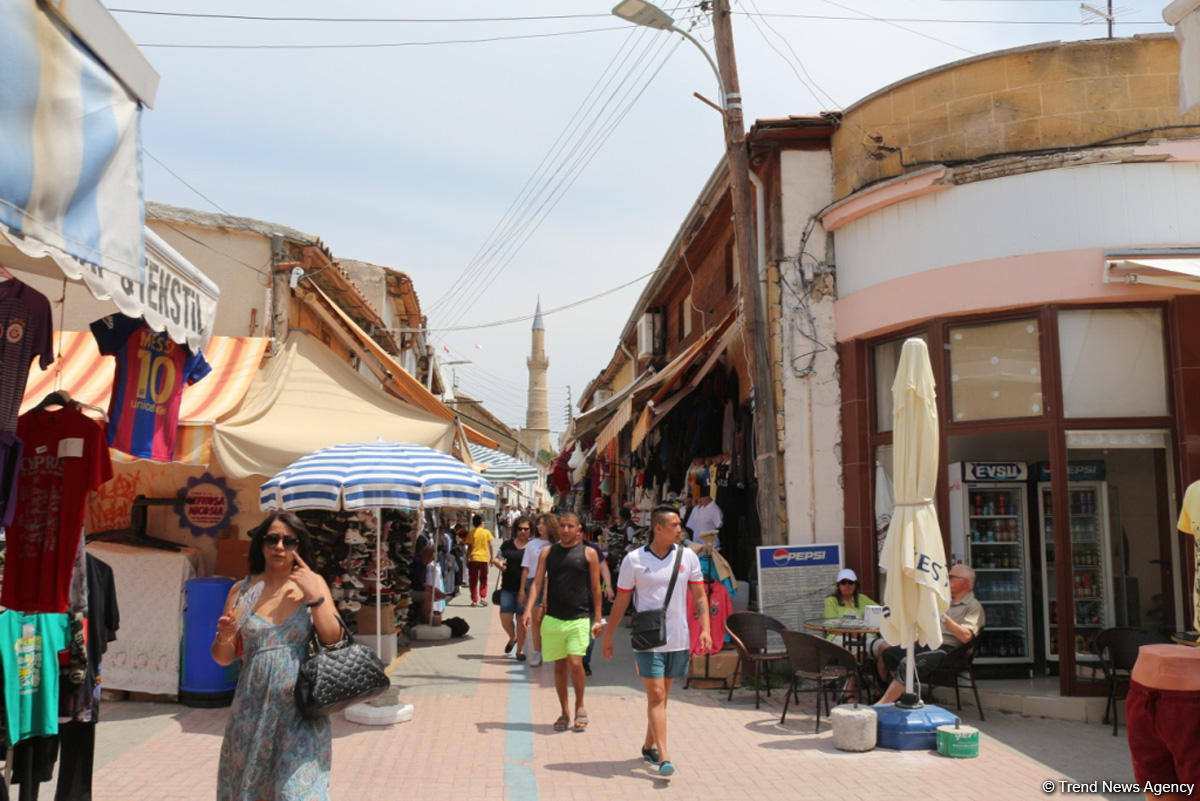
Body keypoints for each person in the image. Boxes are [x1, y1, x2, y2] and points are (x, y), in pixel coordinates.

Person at [213, 513, 340, 801]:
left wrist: (315, 598)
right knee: (251, 790)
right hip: (251, 713)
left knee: (297, 794)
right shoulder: (243, 591)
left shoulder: (313, 584)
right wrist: (225, 634)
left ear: (298, 546)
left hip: (301, 713)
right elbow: (222, 658)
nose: (279, 546)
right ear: (261, 544)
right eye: (272, 539)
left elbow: (333, 638)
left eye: (288, 540)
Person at [602, 505, 711, 778]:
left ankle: (649, 745)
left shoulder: (688, 557)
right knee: (657, 695)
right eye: (674, 525)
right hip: (647, 638)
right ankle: (664, 757)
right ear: (658, 528)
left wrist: (705, 629)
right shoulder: (634, 560)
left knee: (663, 697)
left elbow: (699, 597)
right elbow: (623, 599)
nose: (680, 529)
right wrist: (609, 634)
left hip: (678, 638)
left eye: (680, 525)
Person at [522, 512, 602, 732]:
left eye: (571, 526)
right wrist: (528, 609)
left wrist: (598, 617)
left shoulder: (589, 554)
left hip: (579, 617)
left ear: (579, 529)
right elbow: (537, 583)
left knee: (576, 663)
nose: (566, 530)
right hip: (554, 618)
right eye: (563, 526)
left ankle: (580, 705)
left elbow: (596, 588)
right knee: (559, 667)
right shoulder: (547, 553)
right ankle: (564, 711)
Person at [874, 564, 985, 705]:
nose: (946, 579)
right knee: (889, 654)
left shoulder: (973, 606)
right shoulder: (945, 601)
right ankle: (900, 697)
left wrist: (942, 617)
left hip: (948, 651)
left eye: (951, 577)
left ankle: (882, 705)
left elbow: (966, 636)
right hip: (928, 643)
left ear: (966, 582)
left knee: (907, 663)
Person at [519, 513, 559, 666]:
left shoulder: (558, 544)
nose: (540, 526)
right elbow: (526, 568)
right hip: (534, 583)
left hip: (553, 584)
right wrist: (522, 589)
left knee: (551, 620)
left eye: (543, 524)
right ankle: (537, 652)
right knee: (536, 620)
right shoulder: (532, 544)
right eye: (539, 524)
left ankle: (554, 650)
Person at [496, 516, 532, 660]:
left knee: (522, 621)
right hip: (507, 587)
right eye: (520, 528)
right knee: (505, 618)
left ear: (530, 530)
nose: (523, 531)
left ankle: (520, 650)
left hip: (525, 589)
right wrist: (498, 563)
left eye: (526, 529)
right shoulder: (507, 544)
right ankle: (513, 637)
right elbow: (497, 557)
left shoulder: (532, 546)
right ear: (515, 529)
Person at [581, 526, 615, 676]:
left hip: (593, 598)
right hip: (570, 600)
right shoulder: (560, 548)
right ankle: (576, 660)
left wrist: (608, 585)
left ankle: (585, 661)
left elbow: (604, 568)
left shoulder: (593, 549)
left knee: (593, 633)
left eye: (580, 530)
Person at [823, 568, 877, 640]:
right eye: (843, 582)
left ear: (855, 585)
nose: (847, 585)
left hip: (865, 635)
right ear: (838, 585)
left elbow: (879, 612)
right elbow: (830, 626)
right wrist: (853, 634)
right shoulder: (831, 601)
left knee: (883, 646)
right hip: (840, 636)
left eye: (850, 582)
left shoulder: (863, 598)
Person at [466, 513, 494, 607]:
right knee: (483, 579)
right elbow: (490, 545)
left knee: (473, 580)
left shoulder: (471, 533)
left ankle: (474, 600)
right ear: (482, 523)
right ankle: (483, 597)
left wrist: (467, 558)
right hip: (484, 559)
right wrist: (492, 557)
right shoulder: (486, 532)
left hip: (473, 558)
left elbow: (469, 547)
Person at [420, 544, 449, 625]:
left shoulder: (423, 565)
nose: (433, 559)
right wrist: (433, 590)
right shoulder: (419, 564)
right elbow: (418, 585)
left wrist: (434, 590)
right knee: (428, 595)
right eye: (431, 556)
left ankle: (430, 617)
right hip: (415, 590)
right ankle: (426, 620)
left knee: (432, 593)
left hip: (420, 588)